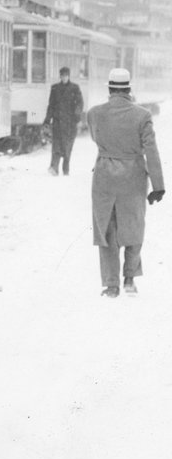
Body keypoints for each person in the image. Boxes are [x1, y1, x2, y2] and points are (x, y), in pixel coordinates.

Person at [86, 67, 165, 297]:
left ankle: (111, 285)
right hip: (133, 178)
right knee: (133, 226)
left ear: (109, 89)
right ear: (129, 89)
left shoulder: (94, 113)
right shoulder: (142, 116)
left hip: (105, 177)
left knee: (106, 230)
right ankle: (130, 278)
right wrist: (158, 185)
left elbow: (95, 138)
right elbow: (151, 150)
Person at [44, 66, 84, 176]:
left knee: (67, 146)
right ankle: (54, 168)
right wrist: (47, 120)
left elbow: (80, 104)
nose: (64, 78)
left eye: (66, 76)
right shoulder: (55, 88)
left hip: (70, 123)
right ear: (60, 76)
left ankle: (66, 169)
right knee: (56, 145)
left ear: (69, 76)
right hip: (58, 122)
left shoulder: (75, 88)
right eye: (62, 76)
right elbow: (51, 105)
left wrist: (77, 117)